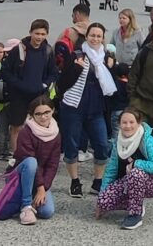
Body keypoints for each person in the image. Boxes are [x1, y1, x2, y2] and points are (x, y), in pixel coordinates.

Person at [58, 22, 115, 198]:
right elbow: (63, 83)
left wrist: (114, 66)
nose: (95, 39)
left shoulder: (106, 57)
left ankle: (98, 181)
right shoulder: (77, 54)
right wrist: (75, 68)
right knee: (72, 144)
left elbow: (112, 83)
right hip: (74, 105)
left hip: (96, 107)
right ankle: (75, 181)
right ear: (86, 36)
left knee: (102, 145)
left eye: (99, 36)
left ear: (103, 38)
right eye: (92, 35)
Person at [96, 108, 153, 230]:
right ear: (119, 124)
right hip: (129, 180)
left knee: (136, 173)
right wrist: (101, 197)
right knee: (103, 201)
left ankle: (135, 215)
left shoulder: (147, 140)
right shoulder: (118, 141)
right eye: (124, 122)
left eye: (131, 122)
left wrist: (136, 163)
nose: (128, 126)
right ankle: (137, 203)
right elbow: (111, 169)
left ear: (138, 123)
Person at [2, 19, 58, 152]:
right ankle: (16, 155)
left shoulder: (48, 51)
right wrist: (18, 84)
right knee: (17, 126)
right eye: (37, 33)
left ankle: (36, 152)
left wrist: (45, 84)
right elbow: (5, 71)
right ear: (30, 32)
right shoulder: (19, 50)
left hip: (39, 95)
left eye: (43, 34)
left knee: (40, 125)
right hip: (19, 95)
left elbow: (53, 72)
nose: (39, 37)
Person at [12, 96, 61, 225]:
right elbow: (27, 159)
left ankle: (26, 200)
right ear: (32, 115)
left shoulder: (56, 133)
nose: (43, 117)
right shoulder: (25, 132)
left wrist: (44, 188)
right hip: (22, 172)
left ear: (53, 110)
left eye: (46, 112)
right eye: (38, 114)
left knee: (47, 212)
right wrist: (40, 188)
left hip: (40, 178)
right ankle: (26, 205)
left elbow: (53, 165)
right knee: (31, 161)